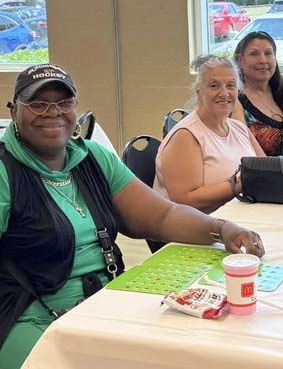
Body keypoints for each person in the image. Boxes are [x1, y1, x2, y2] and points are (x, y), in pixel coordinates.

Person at [0, 63, 265, 368]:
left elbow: (162, 215)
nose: (53, 112)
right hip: (30, 316)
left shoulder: (92, 157)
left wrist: (221, 229)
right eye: (37, 104)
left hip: (104, 303)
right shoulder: (6, 171)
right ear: (13, 111)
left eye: (64, 102)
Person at [154, 55, 264, 214]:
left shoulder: (239, 129)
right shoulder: (186, 136)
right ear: (199, 93)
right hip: (195, 229)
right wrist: (240, 184)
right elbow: (186, 202)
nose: (224, 93)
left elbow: (266, 169)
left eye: (231, 86)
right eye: (214, 86)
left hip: (239, 217)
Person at [230, 31, 283, 156]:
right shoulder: (234, 100)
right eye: (254, 54)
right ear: (240, 60)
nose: (263, 60)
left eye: (268, 53)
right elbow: (242, 148)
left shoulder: (280, 92)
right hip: (260, 172)